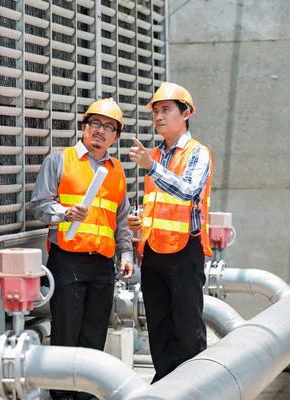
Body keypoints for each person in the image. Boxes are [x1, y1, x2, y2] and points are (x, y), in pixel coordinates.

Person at [30, 98, 134, 400]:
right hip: (68, 261)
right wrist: (64, 213)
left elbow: (121, 218)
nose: (101, 131)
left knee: (94, 334)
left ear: (115, 136)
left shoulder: (116, 171)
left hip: (103, 264)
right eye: (96, 124)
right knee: (66, 333)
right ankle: (62, 396)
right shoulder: (60, 160)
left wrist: (125, 254)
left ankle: (87, 395)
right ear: (84, 127)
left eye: (109, 127)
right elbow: (38, 206)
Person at [127, 82, 214, 383]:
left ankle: (197, 386)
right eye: (155, 112)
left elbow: (187, 191)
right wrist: (139, 222)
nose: (158, 117)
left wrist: (150, 167)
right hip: (153, 252)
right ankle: (165, 383)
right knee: (159, 326)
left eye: (166, 109)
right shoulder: (153, 154)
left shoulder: (197, 153)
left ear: (186, 113)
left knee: (188, 327)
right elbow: (156, 204)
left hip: (185, 252)